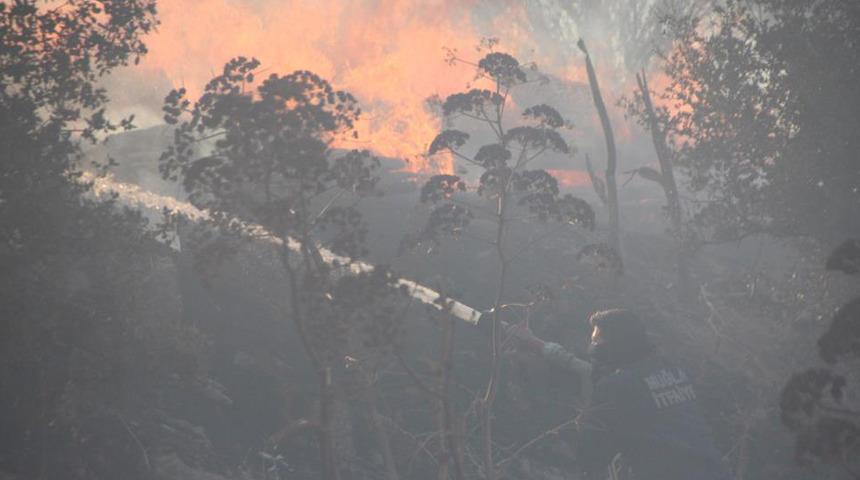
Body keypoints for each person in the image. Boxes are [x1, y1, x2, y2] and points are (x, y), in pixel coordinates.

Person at [508, 309, 731, 480]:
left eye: (597, 341)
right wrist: (536, 345)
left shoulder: (616, 387)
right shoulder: (668, 369)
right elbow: (585, 369)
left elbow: (591, 456)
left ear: (616, 345)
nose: (592, 347)